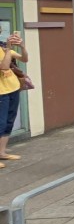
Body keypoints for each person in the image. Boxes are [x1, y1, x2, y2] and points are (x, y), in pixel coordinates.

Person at [0, 32, 27, 168]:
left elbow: (24, 59)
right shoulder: (5, 49)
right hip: (1, 93)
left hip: (13, 89)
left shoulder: (3, 48)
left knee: (9, 121)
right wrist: (8, 49)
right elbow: (4, 66)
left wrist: (22, 47)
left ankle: (2, 152)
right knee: (1, 123)